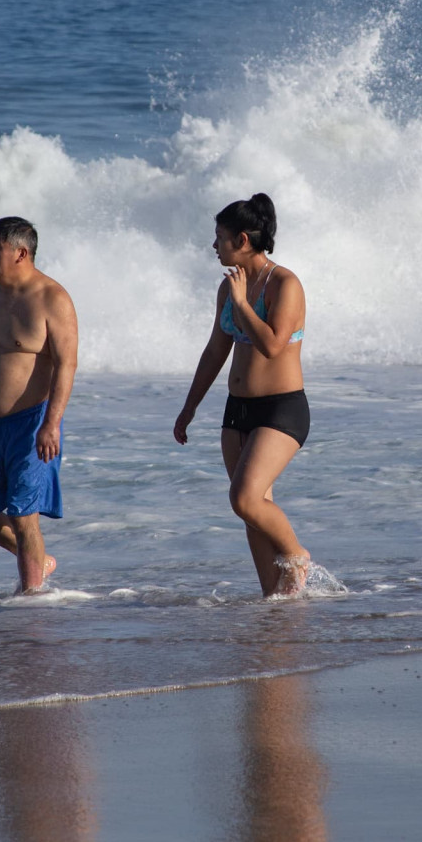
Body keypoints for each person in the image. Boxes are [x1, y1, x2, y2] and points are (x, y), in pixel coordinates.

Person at [173, 193, 313, 597]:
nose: (213, 246)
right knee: (253, 513)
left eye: (219, 237)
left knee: (245, 498)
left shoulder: (285, 284)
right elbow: (216, 350)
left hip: (281, 409)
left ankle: (296, 556)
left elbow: (272, 345)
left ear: (243, 240)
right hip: (238, 411)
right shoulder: (228, 288)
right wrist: (189, 407)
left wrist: (240, 302)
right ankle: (275, 598)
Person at [0, 217, 78, 594]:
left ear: (20, 253)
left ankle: (32, 602)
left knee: (23, 516)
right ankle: (38, 564)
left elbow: (66, 364)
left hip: (31, 423)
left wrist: (52, 423)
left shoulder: (51, 298)